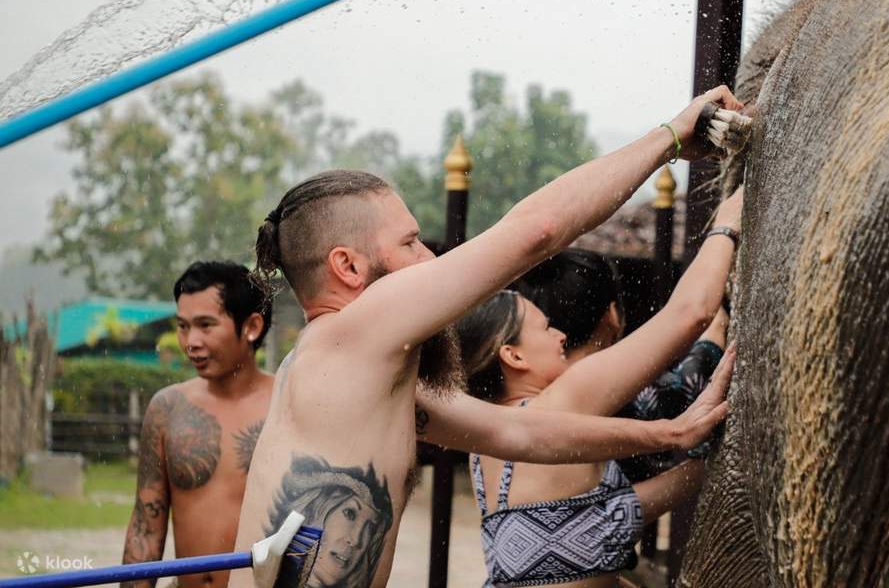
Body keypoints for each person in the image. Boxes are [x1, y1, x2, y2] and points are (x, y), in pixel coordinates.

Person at [231, 87, 742, 588]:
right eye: (411, 243)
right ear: (347, 266)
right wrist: (671, 138)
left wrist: (670, 434)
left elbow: (516, 434)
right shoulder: (350, 333)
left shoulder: (354, 375)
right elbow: (537, 230)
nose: (429, 258)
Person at [460, 188, 742, 587]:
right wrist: (726, 226)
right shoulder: (563, 400)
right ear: (513, 356)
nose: (559, 335)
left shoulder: (486, 447)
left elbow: (583, 534)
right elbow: (689, 314)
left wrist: (703, 467)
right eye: (543, 327)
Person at [122, 261, 275, 588]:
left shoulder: (287, 408)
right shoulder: (167, 409)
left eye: (205, 325)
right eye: (182, 326)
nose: (190, 341)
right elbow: (145, 528)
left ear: (252, 327)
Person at [515, 251, 731, 480]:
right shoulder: (626, 397)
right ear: (612, 314)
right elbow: (689, 381)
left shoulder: (524, 396)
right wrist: (715, 329)